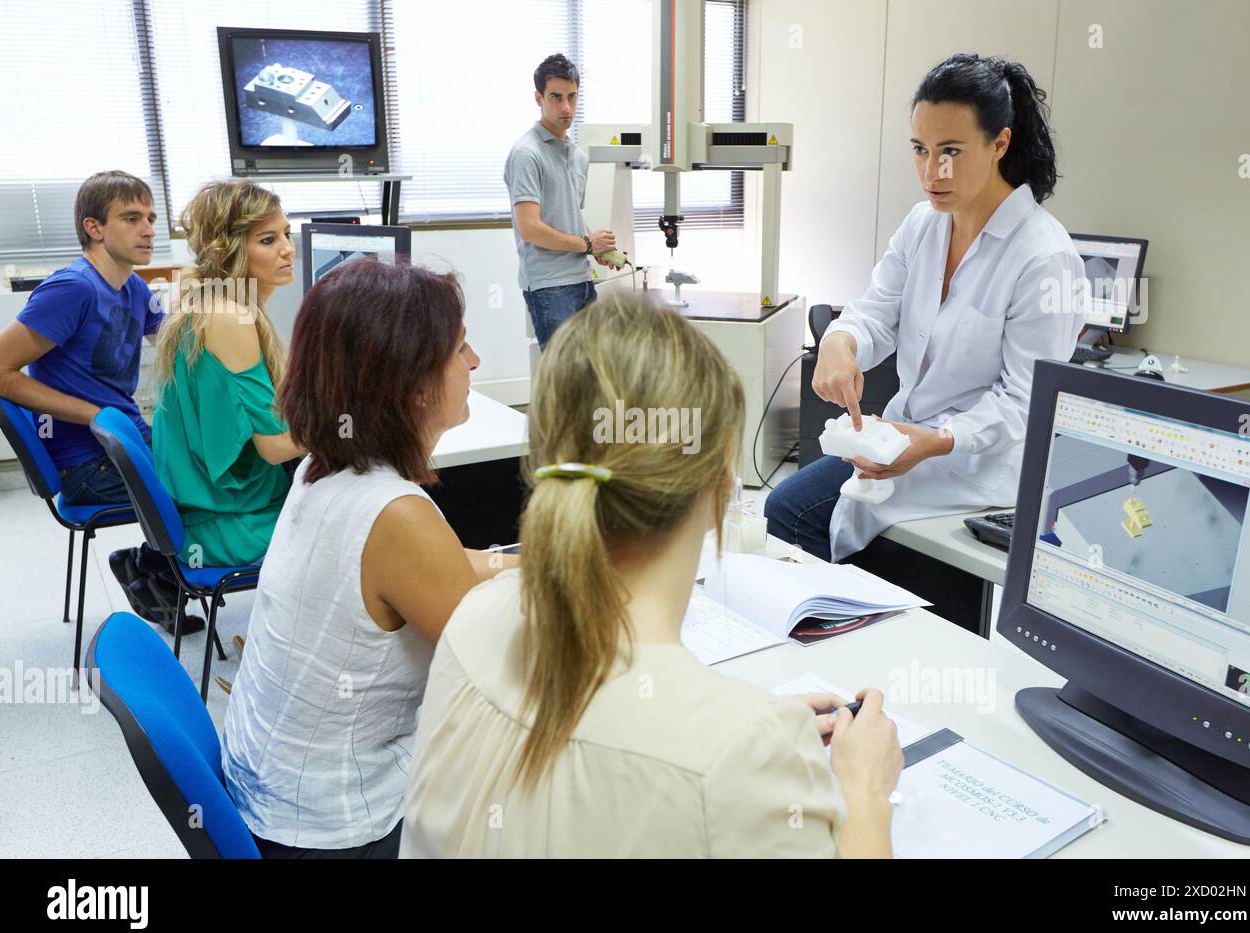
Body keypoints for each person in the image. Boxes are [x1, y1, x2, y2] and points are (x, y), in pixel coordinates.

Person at [400, 296, 903, 858]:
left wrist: (755, 728)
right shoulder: (742, 757)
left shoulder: (474, 617)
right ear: (720, 478)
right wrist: (865, 792)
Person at [221, 258, 518, 859]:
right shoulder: (397, 514)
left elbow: (438, 569)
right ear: (411, 384)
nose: (476, 363)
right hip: (333, 827)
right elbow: (500, 671)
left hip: (271, 786)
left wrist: (529, 566)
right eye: (461, 349)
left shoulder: (322, 464)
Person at [766, 53, 1088, 563]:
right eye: (920, 149)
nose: (931, 171)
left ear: (1000, 143)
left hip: (978, 469)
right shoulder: (923, 224)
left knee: (793, 512)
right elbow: (875, 311)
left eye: (952, 151)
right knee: (783, 507)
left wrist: (934, 441)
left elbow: (1025, 404)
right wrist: (840, 341)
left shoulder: (1045, 258)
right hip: (904, 441)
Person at [0, 170, 201, 633]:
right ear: (94, 228)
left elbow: (175, 345)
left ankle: (149, 565)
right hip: (87, 463)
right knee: (212, 482)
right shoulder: (73, 289)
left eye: (150, 217)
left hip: (120, 441)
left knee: (217, 458)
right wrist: (95, 415)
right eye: (131, 218)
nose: (149, 229)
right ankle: (156, 573)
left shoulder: (132, 286)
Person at [152, 179, 304, 572]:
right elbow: (276, 446)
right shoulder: (231, 318)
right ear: (231, 249)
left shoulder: (214, 304)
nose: (289, 248)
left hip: (215, 509)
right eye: (268, 240)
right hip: (231, 526)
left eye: (286, 234)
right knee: (369, 520)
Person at [505, 52, 621, 350]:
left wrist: (598, 250)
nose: (566, 107)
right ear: (538, 97)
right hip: (549, 287)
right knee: (565, 386)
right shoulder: (526, 154)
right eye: (556, 97)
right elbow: (531, 229)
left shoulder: (578, 156)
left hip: (582, 281)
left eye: (572, 96)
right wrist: (587, 244)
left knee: (591, 380)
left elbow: (566, 217)